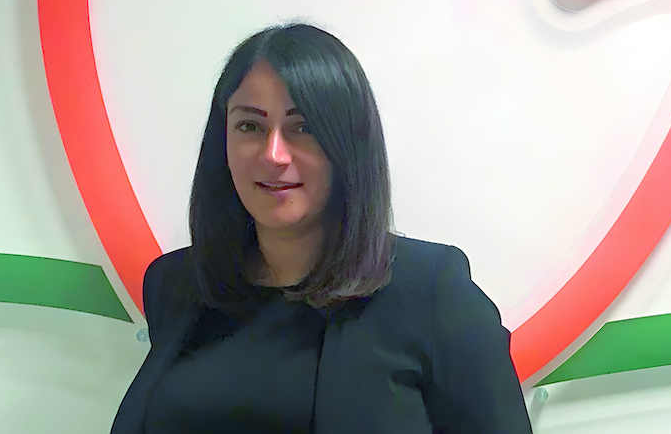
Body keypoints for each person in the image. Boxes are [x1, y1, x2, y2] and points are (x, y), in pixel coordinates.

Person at [110, 23, 532, 433]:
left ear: (347, 145)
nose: (273, 154)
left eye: (304, 127)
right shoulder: (175, 283)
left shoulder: (433, 292)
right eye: (250, 126)